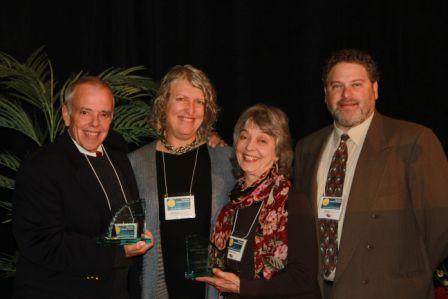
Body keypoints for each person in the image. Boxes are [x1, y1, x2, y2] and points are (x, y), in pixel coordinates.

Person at [294, 48, 448, 299]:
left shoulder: (415, 140)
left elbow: (440, 227)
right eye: (337, 86)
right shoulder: (307, 148)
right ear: (325, 94)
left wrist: (402, 278)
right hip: (322, 291)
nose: (346, 95)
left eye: (356, 84)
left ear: (374, 90)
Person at [12, 76, 154, 299]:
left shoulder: (117, 153)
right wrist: (117, 252)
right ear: (67, 115)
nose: (95, 123)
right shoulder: (41, 166)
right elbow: (42, 243)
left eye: (104, 114)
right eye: (85, 112)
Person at [128, 65, 235, 299]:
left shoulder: (226, 159)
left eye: (199, 101)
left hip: (211, 290)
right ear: (163, 103)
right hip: (156, 288)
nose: (191, 109)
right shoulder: (136, 163)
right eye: (181, 99)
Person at [197, 104, 321, 299]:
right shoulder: (232, 204)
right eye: (244, 137)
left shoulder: (292, 201)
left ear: (278, 153)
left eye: (262, 140)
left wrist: (244, 288)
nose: (249, 147)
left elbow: (303, 278)